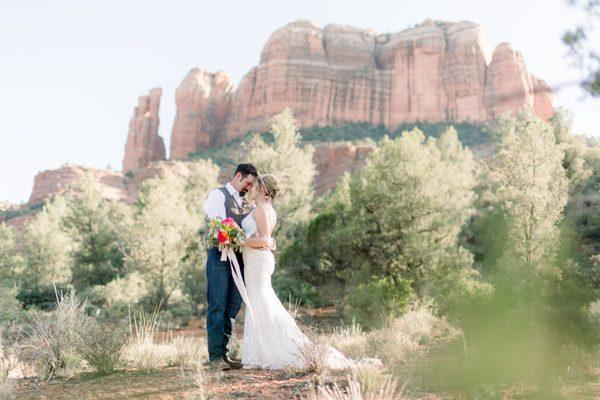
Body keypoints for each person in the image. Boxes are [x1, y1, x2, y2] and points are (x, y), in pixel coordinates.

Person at [240, 174, 379, 370]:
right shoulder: (267, 209)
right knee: (260, 303)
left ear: (262, 188)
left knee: (261, 302)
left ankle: (269, 351)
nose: (253, 187)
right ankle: (259, 350)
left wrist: (238, 240)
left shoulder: (262, 209)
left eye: (256, 185)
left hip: (258, 262)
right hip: (255, 262)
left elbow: (265, 240)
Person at [203, 163, 273, 370]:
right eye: (248, 183)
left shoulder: (246, 204)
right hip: (219, 257)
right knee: (218, 305)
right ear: (238, 176)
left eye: (252, 186)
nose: (249, 188)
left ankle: (224, 354)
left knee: (232, 307)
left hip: (241, 259)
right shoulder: (218, 195)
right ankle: (215, 357)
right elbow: (218, 226)